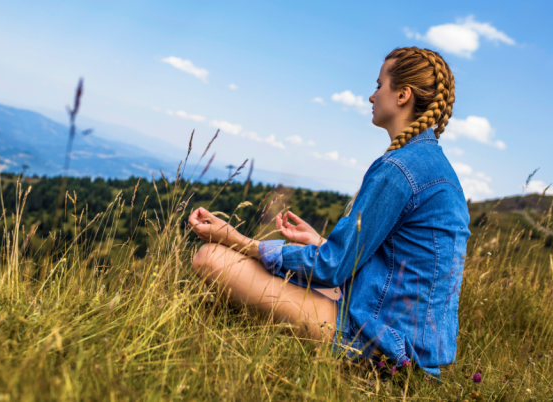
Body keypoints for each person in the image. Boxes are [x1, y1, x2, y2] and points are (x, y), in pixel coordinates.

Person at [188, 47, 470, 376]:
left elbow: (333, 269)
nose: (371, 96)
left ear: (403, 95)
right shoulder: (436, 168)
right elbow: (398, 266)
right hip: (415, 346)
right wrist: (321, 242)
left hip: (383, 347)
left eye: (379, 85)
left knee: (210, 257)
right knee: (270, 270)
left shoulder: (398, 169)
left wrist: (237, 240)